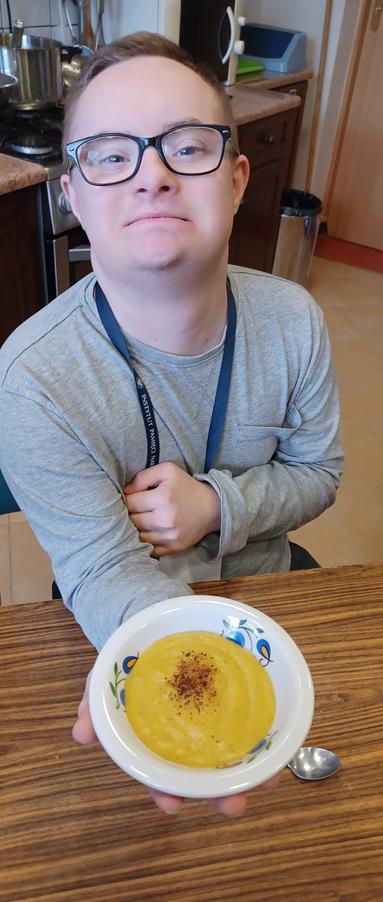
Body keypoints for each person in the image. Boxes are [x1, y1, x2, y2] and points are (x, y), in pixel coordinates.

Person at [0, 33, 343, 816]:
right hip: (122, 625)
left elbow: (320, 472)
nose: (152, 174)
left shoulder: (296, 321)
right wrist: (176, 667)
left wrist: (218, 505)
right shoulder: (31, 381)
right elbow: (99, 566)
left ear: (237, 179)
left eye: (187, 146)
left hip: (271, 598)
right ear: (72, 194)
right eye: (112, 155)